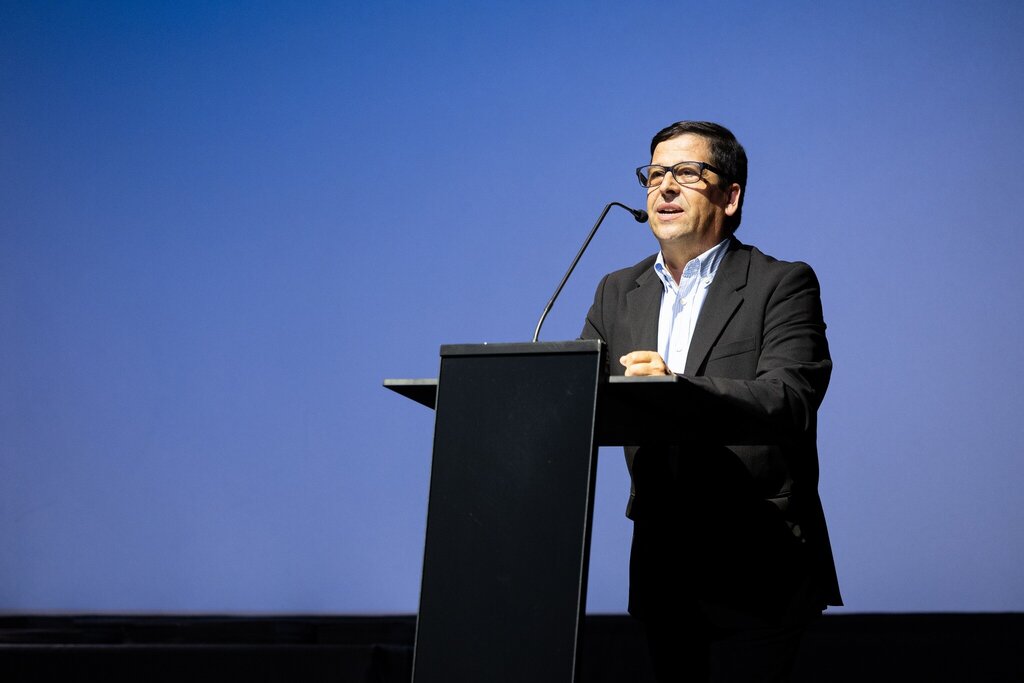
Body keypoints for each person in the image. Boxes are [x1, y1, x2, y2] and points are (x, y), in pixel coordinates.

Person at [581, 121, 841, 682]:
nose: (664, 186)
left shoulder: (782, 284)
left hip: (758, 564)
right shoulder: (616, 292)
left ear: (730, 195)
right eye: (655, 174)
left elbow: (789, 400)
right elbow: (578, 401)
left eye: (687, 172)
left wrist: (675, 387)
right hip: (662, 569)